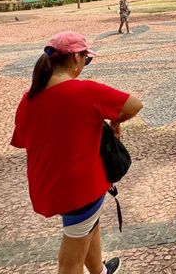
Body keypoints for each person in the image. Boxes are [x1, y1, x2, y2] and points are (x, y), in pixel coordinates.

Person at [11, 31, 144, 274]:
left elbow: (23, 140)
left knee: (86, 227)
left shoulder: (29, 98)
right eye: (86, 58)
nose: (84, 64)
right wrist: (115, 122)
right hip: (80, 187)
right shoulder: (85, 92)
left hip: (48, 184)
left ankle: (99, 270)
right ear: (75, 59)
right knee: (70, 263)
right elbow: (135, 104)